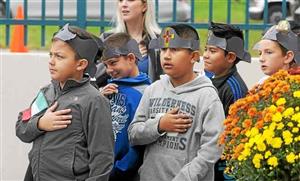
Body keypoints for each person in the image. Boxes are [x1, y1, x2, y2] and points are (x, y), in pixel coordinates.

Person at [16, 24, 114, 181]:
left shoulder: (94, 100)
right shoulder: (46, 93)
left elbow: (102, 158)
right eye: (51, 55)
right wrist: (40, 123)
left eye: (59, 57)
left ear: (81, 64)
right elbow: (21, 128)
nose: (51, 62)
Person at [128, 24, 225, 181]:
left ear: (193, 57)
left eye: (174, 50)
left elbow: (213, 148)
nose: (166, 56)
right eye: (163, 50)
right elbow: (133, 134)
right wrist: (159, 125)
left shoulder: (207, 96)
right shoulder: (153, 89)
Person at [203, 22, 251, 181]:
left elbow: (235, 137)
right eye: (205, 49)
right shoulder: (208, 78)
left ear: (230, 57)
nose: (205, 55)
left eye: (212, 51)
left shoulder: (234, 89)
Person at [99, 32, 151, 181]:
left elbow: (141, 140)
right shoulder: (108, 89)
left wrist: (121, 169)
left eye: (113, 63)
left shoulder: (146, 93)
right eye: (106, 65)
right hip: (101, 168)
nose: (109, 70)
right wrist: (99, 100)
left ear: (131, 58)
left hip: (124, 173)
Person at [95, 0, 163, 87]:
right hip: (114, 98)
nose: (124, 4)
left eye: (130, 0)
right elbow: (92, 77)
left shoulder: (158, 41)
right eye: (120, 1)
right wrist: (116, 59)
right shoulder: (107, 38)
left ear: (144, 6)